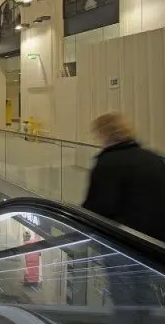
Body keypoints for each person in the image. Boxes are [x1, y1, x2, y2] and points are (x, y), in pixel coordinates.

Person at [83, 112, 165, 323]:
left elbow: (96, 208)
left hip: (122, 245)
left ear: (105, 134)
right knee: (147, 294)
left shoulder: (108, 163)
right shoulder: (154, 158)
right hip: (153, 245)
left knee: (124, 298)